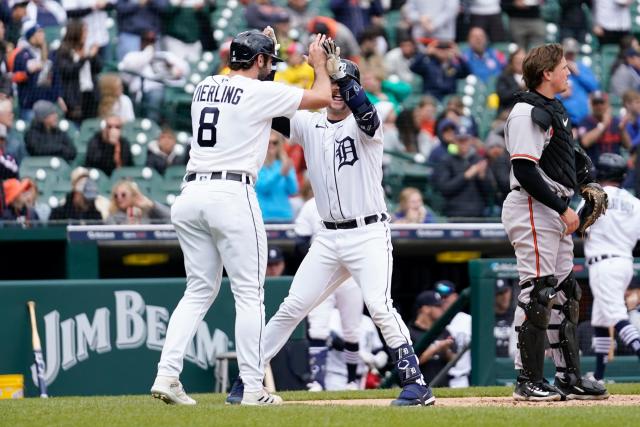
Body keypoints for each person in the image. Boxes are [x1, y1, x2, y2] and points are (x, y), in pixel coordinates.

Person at [226, 45, 436, 406]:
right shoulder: (308, 121)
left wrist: (337, 70)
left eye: (345, 84)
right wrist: (269, 57)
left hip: (368, 232)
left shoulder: (366, 123)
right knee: (292, 306)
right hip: (328, 236)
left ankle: (415, 383)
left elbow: (368, 115)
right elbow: (270, 107)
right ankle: (249, 379)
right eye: (333, 84)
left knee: (379, 305)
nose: (337, 90)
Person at [150, 28, 332, 406]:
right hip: (231, 194)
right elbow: (322, 97)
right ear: (261, 61)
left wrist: (264, 47)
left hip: (190, 195)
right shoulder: (258, 90)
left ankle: (167, 374)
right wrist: (317, 64)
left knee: (198, 290)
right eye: (269, 61)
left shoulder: (204, 85)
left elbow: (242, 80)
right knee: (249, 294)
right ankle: (252, 388)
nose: (271, 68)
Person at [501, 43, 609, 401]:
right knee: (539, 289)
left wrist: (585, 182)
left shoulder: (553, 108)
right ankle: (527, 379)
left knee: (564, 294)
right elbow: (524, 168)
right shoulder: (525, 111)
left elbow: (567, 157)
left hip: (552, 205)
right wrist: (563, 209)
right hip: (532, 205)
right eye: (563, 66)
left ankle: (568, 377)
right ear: (546, 73)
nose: (569, 71)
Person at [294, 193, 365, 392]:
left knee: (352, 328)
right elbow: (300, 241)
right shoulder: (311, 206)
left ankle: (352, 381)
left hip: (350, 272)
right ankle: (318, 381)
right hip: (323, 274)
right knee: (317, 327)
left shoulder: (355, 199)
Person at [581, 153, 640, 382]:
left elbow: (575, 225)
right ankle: (598, 376)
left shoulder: (593, 197)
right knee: (602, 319)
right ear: (623, 176)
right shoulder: (635, 203)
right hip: (625, 263)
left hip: (603, 265)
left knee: (616, 316)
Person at [255, 131, 298, 222]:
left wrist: (288, 176)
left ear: (279, 144)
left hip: (286, 216)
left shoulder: (285, 163)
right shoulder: (258, 165)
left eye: (275, 142)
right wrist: (280, 174)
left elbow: (293, 191)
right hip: (265, 217)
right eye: (268, 142)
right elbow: (262, 188)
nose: (271, 145)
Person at [494, 278, 515, 358]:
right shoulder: (485, 317)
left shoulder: (518, 315)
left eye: (506, 291)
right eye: (500, 293)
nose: (504, 297)